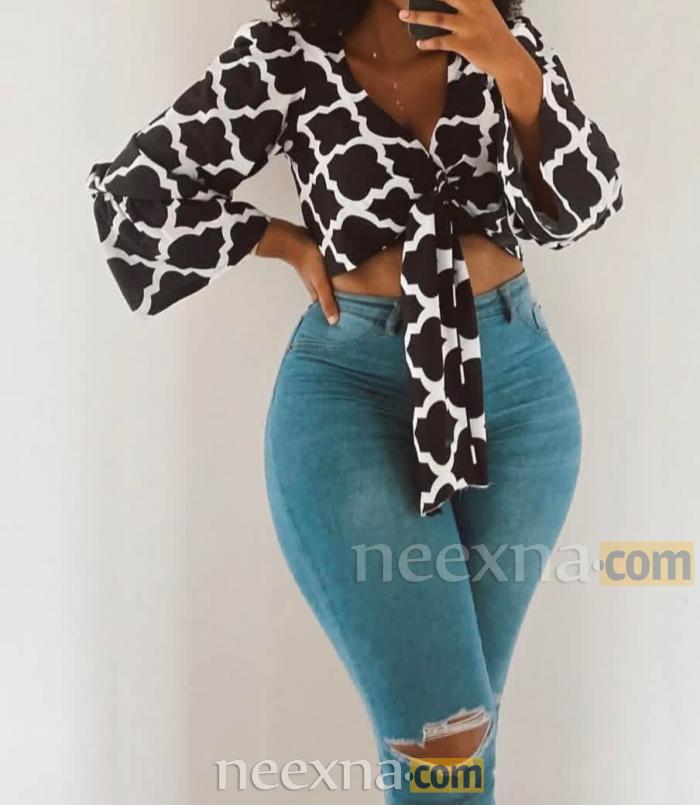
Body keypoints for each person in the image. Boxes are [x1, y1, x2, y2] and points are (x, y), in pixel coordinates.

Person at [86, 0, 623, 801]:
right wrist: (279, 239)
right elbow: (134, 196)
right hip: (353, 397)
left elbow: (588, 205)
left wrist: (514, 68)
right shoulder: (286, 57)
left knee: (462, 739)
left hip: (517, 397)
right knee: (446, 740)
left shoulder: (503, 38)